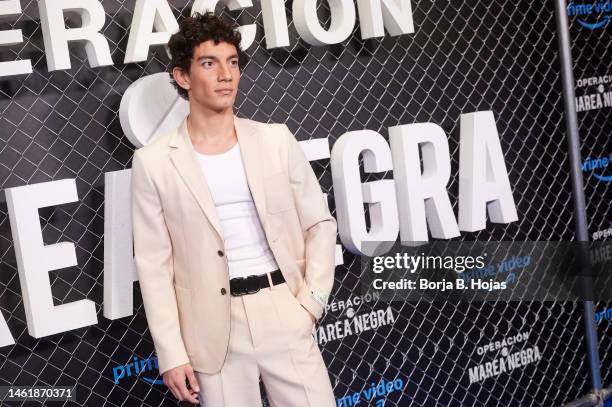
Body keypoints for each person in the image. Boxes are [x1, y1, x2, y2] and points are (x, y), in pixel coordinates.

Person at [131, 11, 338, 407]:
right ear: (182, 77)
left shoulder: (275, 140)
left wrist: (310, 304)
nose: (226, 74)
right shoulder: (154, 162)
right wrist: (172, 353)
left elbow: (320, 224)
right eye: (209, 63)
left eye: (233, 62)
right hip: (211, 329)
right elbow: (154, 266)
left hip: (283, 307)